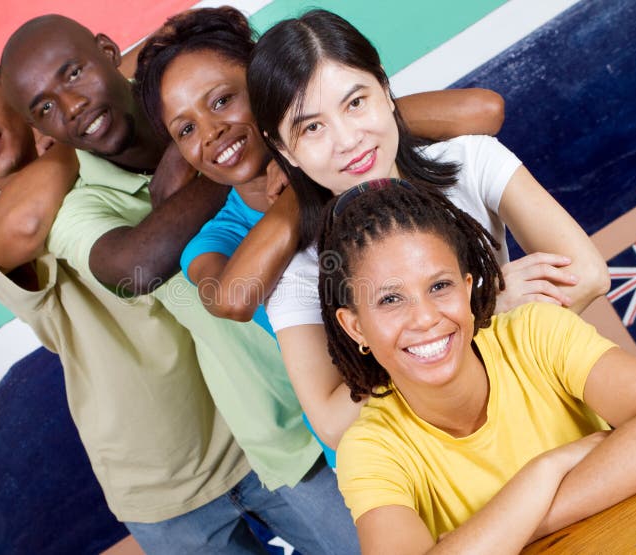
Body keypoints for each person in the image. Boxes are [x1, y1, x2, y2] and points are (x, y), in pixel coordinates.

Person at [0, 40, 325, 554]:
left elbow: (167, 57)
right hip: (163, 481)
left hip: (256, 424)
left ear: (5, 89)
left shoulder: (107, 130)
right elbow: (35, 225)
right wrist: (246, 152)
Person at [0, 15, 366, 552]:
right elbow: (137, 270)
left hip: (380, 367)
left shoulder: (218, 92)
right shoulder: (81, 203)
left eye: (73, 72)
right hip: (289, 431)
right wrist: (234, 155)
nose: (71, 105)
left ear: (108, 49)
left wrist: (213, 150)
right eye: (45, 108)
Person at [134, 6, 505, 458]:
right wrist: (302, 186)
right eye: (186, 128)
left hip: (482, 381)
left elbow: (484, 108)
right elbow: (232, 297)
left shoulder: (352, 149)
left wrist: (317, 145)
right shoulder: (217, 239)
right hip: (375, 436)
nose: (211, 132)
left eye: (222, 100)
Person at [244, 9, 610, 448]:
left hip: (558, 417)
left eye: (356, 102)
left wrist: (414, 360)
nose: (347, 139)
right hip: (443, 471)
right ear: (285, 149)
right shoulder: (302, 271)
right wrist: (487, 306)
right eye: (313, 127)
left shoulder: (471, 163)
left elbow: (587, 275)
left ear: (384, 88)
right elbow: (332, 423)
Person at [316, 178, 636, 554]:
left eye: (439, 287)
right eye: (390, 300)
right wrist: (545, 470)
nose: (424, 318)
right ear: (355, 327)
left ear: (468, 289)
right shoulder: (371, 447)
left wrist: (518, 526)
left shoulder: (536, 332)